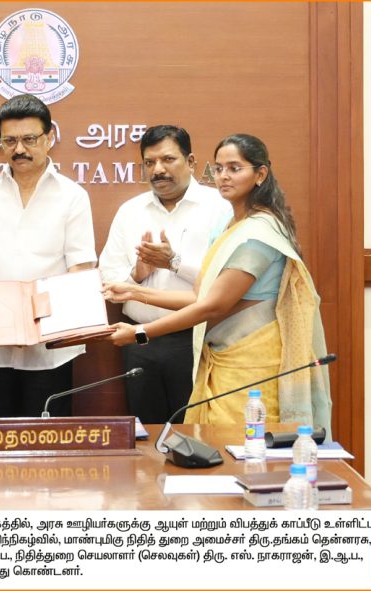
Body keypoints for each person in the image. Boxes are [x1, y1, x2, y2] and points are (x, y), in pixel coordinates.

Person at [105, 134, 331, 429]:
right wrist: (134, 292)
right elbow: (200, 296)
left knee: (243, 444)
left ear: (260, 174)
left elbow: (213, 306)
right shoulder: (229, 226)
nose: (224, 176)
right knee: (201, 441)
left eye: (235, 168)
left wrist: (140, 332)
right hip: (217, 357)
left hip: (252, 362)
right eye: (219, 168)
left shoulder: (258, 234)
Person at [0, 94, 97, 418]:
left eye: (29, 139)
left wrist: (32, 324)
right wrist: (6, 322)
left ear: (49, 138)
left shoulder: (73, 196)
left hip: (51, 347)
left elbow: (80, 269)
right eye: (10, 141)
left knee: (48, 440)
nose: (19, 149)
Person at [99, 125, 231, 423]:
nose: (158, 169)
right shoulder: (130, 211)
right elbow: (108, 277)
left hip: (197, 339)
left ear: (191, 161)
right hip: (139, 341)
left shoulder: (219, 208)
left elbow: (224, 281)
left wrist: (174, 262)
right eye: (149, 162)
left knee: (196, 429)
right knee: (147, 431)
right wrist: (137, 273)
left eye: (168, 159)